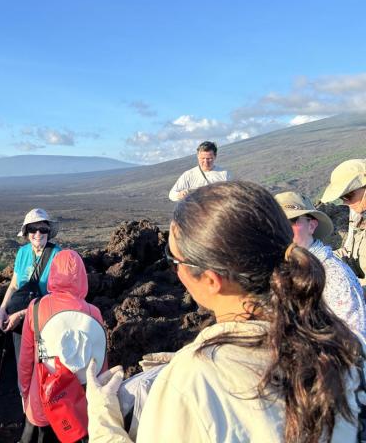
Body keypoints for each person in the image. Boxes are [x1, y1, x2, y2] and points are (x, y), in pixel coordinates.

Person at [86, 181, 364, 442]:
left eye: (173, 259)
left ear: (210, 279)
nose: (173, 269)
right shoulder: (341, 347)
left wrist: (102, 419)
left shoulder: (192, 382)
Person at [18, 249, 107, 443]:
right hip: (76, 404)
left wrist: (26, 395)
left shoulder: (36, 307)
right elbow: (100, 366)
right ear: (82, 277)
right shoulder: (94, 313)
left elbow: (25, 360)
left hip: (41, 397)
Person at [275, 191, 366, 339]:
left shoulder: (332, 275)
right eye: (277, 223)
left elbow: (356, 338)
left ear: (312, 226)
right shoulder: (286, 269)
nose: (283, 229)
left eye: (291, 221)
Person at [0, 209, 62, 365]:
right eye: (33, 229)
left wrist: (19, 314)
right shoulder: (22, 252)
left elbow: (58, 298)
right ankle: (23, 390)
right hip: (19, 323)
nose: (38, 233)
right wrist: (2, 309)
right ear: (26, 232)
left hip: (45, 320)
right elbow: (14, 285)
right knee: (24, 364)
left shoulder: (58, 255)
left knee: (45, 364)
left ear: (48, 231)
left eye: (43, 229)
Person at [321, 158, 366, 286]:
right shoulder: (358, 216)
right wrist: (316, 261)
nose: (345, 202)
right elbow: (350, 252)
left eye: (348, 196)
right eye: (342, 197)